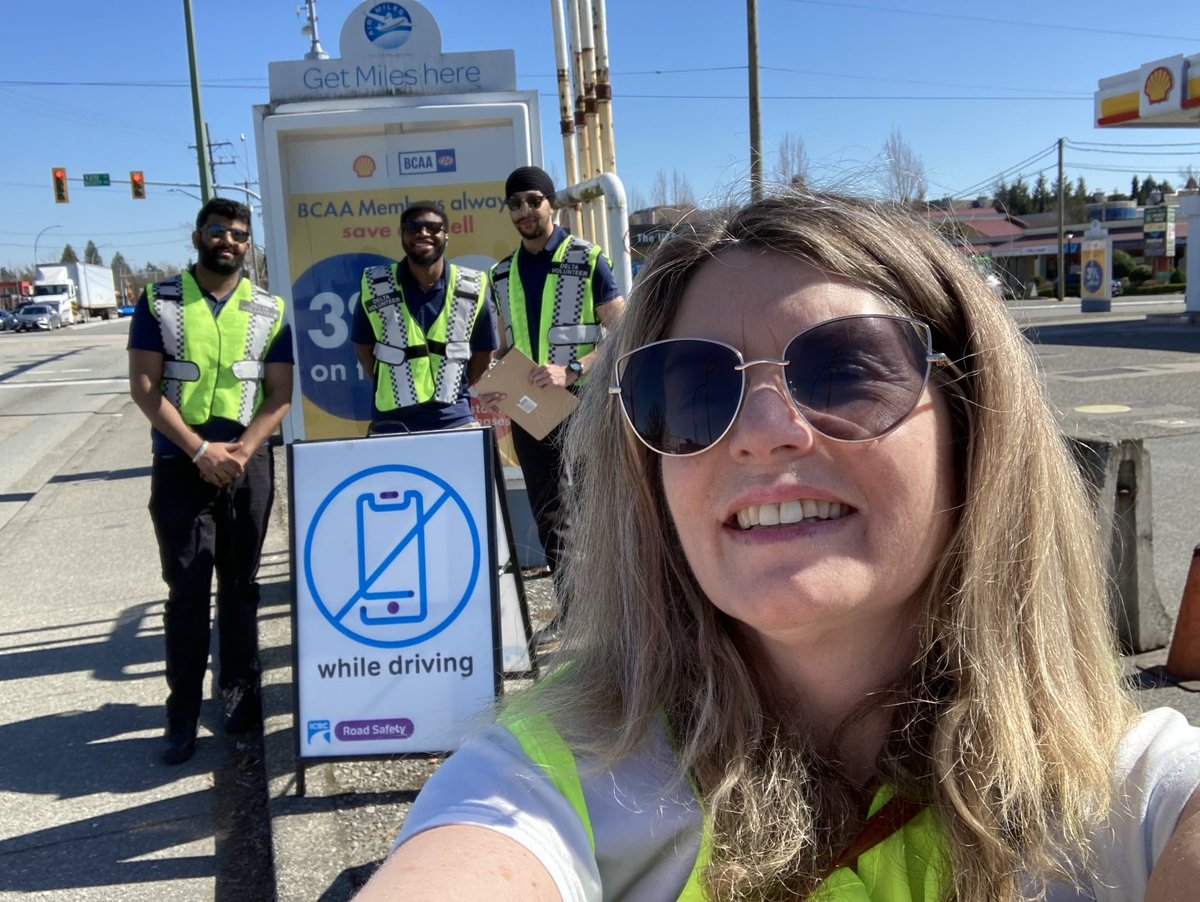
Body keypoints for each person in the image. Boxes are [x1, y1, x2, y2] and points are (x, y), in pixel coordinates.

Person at [357, 190, 1200, 900]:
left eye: (846, 369)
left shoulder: (1128, 793)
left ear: (976, 421)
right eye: (687, 390)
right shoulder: (548, 778)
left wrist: (567, 383)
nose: (762, 433)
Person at [128, 197, 293, 766]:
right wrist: (199, 449)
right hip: (182, 464)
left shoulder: (269, 309)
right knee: (189, 592)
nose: (228, 241)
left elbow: (280, 395)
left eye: (239, 234)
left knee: (243, 588)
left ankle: (241, 701)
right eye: (218, 231)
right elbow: (145, 388)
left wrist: (242, 450)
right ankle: (181, 716)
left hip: (248, 466)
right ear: (198, 236)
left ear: (250, 245)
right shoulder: (160, 301)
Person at [481, 166, 625, 645]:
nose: (524, 211)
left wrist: (576, 369)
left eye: (532, 200)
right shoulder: (500, 275)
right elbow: (507, 344)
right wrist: (496, 377)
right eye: (514, 203)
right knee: (549, 511)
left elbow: (623, 332)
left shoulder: (588, 259)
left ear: (551, 204)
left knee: (594, 507)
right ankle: (574, 613)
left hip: (584, 403)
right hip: (531, 408)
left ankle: (614, 615)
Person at [352, 201, 496, 435]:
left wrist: (459, 387)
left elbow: (483, 353)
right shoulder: (376, 285)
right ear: (402, 234)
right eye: (414, 228)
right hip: (392, 422)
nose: (423, 233)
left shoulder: (471, 286)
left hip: (454, 419)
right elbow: (363, 349)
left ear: (446, 235)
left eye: (433, 227)